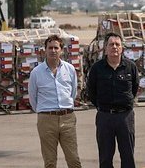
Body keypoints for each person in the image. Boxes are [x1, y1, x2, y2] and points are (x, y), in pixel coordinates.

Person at [28, 34, 82, 168]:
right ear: (45, 50)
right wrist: (45, 111)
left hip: (67, 118)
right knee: (50, 162)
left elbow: (72, 93)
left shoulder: (69, 69)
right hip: (46, 119)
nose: (53, 51)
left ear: (61, 50)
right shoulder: (36, 72)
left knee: (74, 160)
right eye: (50, 48)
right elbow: (32, 98)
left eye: (56, 48)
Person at [87, 32, 139, 168]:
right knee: (105, 158)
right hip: (105, 117)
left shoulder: (130, 67)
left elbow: (134, 88)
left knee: (128, 156)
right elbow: (91, 92)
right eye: (111, 44)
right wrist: (101, 107)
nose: (114, 47)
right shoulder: (97, 68)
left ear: (122, 48)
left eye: (117, 44)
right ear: (105, 48)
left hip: (125, 117)